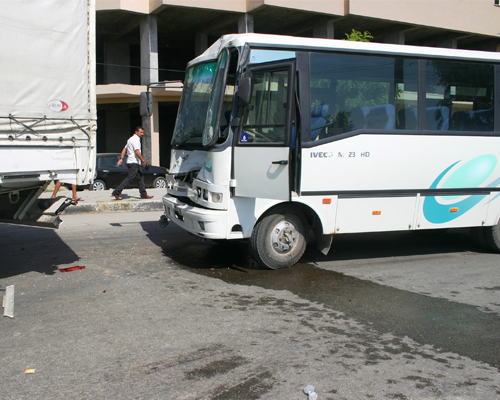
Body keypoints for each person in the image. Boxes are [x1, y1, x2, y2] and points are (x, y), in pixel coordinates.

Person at [112, 126, 154, 201]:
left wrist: (121, 158)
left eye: (143, 132)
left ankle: (143, 194)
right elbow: (137, 151)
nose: (142, 134)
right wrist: (143, 161)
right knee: (129, 178)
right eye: (141, 132)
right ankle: (116, 192)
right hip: (133, 162)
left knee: (140, 177)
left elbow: (125, 149)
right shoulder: (135, 140)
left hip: (134, 162)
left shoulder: (130, 139)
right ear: (136, 132)